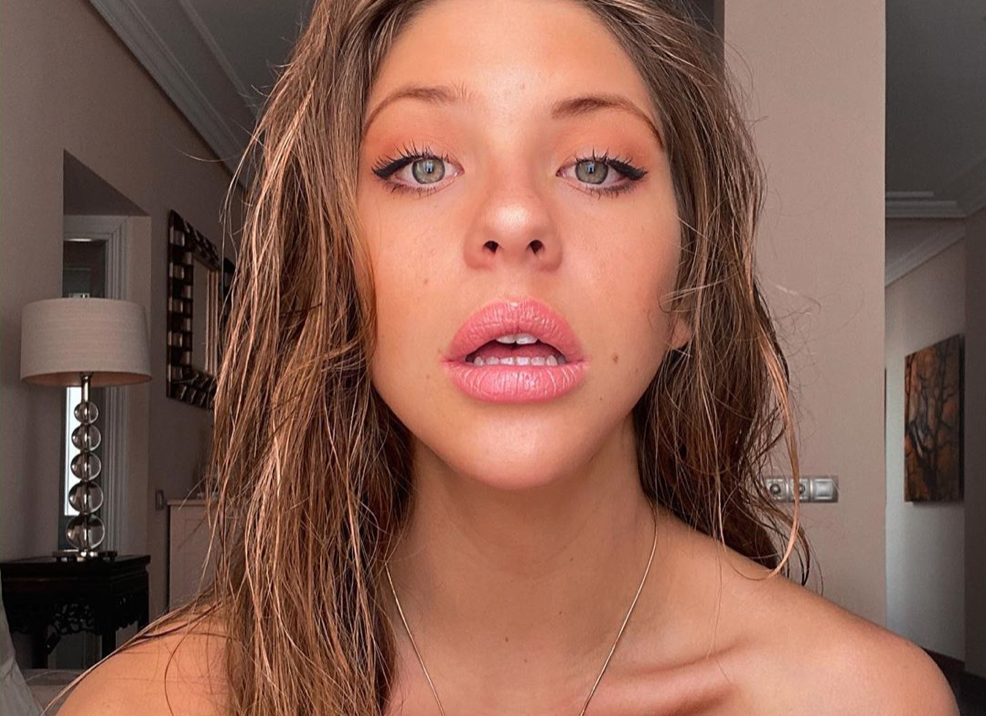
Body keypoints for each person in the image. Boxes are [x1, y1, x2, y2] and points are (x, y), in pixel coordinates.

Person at [57, 0, 958, 714]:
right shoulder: (142, 705)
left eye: (597, 166)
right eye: (421, 165)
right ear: (337, 269)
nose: (515, 218)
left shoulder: (867, 699)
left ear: (688, 288)